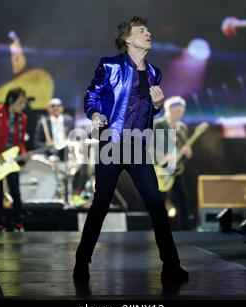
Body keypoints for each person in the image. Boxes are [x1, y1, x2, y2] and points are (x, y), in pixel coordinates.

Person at [73, 17, 189, 283]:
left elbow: (148, 110)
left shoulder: (154, 72)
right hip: (112, 142)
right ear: (128, 39)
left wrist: (158, 106)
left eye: (149, 30)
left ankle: (171, 265)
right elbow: (92, 94)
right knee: (101, 203)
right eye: (142, 31)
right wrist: (94, 113)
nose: (148, 33)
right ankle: (82, 261)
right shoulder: (110, 65)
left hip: (137, 145)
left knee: (156, 204)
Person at [0, 87, 28, 232]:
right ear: (11, 101)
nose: (23, 106)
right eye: (20, 102)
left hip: (11, 160)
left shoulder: (22, 118)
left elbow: (20, 142)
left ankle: (19, 222)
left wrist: (24, 153)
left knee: (15, 191)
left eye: (24, 103)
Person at [153, 96, 193, 230]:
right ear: (169, 110)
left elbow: (183, 148)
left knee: (183, 198)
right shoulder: (158, 125)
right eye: (177, 110)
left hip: (177, 169)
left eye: (182, 110)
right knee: (160, 200)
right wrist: (162, 158)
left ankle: (186, 229)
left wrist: (187, 153)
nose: (180, 113)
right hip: (161, 169)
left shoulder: (182, 128)